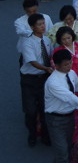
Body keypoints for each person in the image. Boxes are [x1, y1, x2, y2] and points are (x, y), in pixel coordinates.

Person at [19, 12, 52, 147]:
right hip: (30, 80)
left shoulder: (47, 40)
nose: (42, 26)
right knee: (31, 110)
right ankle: (32, 134)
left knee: (45, 109)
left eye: (43, 23)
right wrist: (47, 69)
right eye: (39, 24)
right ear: (32, 27)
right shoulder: (27, 42)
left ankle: (45, 135)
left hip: (44, 79)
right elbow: (32, 61)